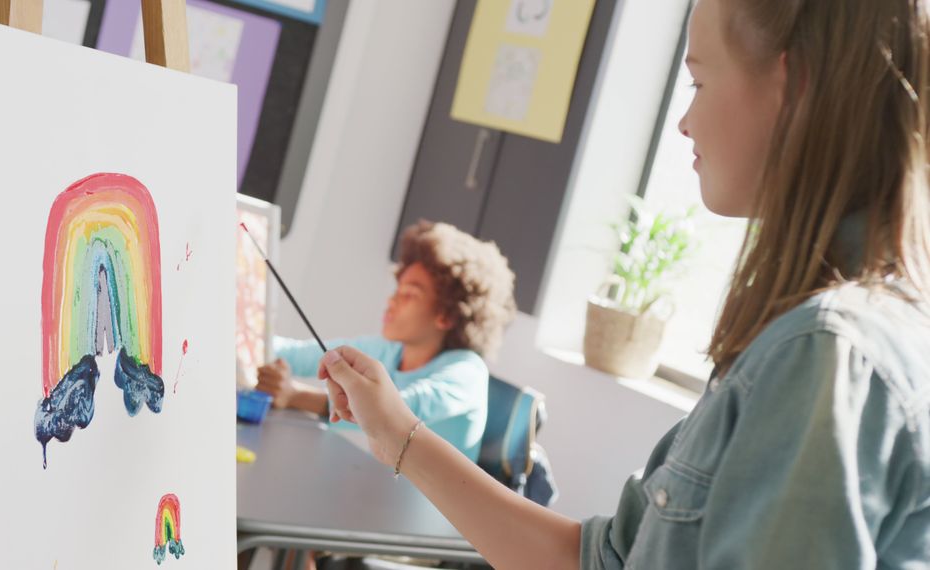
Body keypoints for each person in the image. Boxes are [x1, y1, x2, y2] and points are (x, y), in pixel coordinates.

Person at [316, 0, 930, 567]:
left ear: (791, 88)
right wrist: (396, 432)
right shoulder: (803, 340)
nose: (684, 122)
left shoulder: (820, 355)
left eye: (699, 81)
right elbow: (598, 560)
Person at [256, 220, 516, 461]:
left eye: (409, 295)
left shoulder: (467, 372)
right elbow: (295, 353)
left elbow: (394, 412)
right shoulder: (389, 351)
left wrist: (294, 395)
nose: (392, 302)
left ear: (446, 315)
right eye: (397, 290)